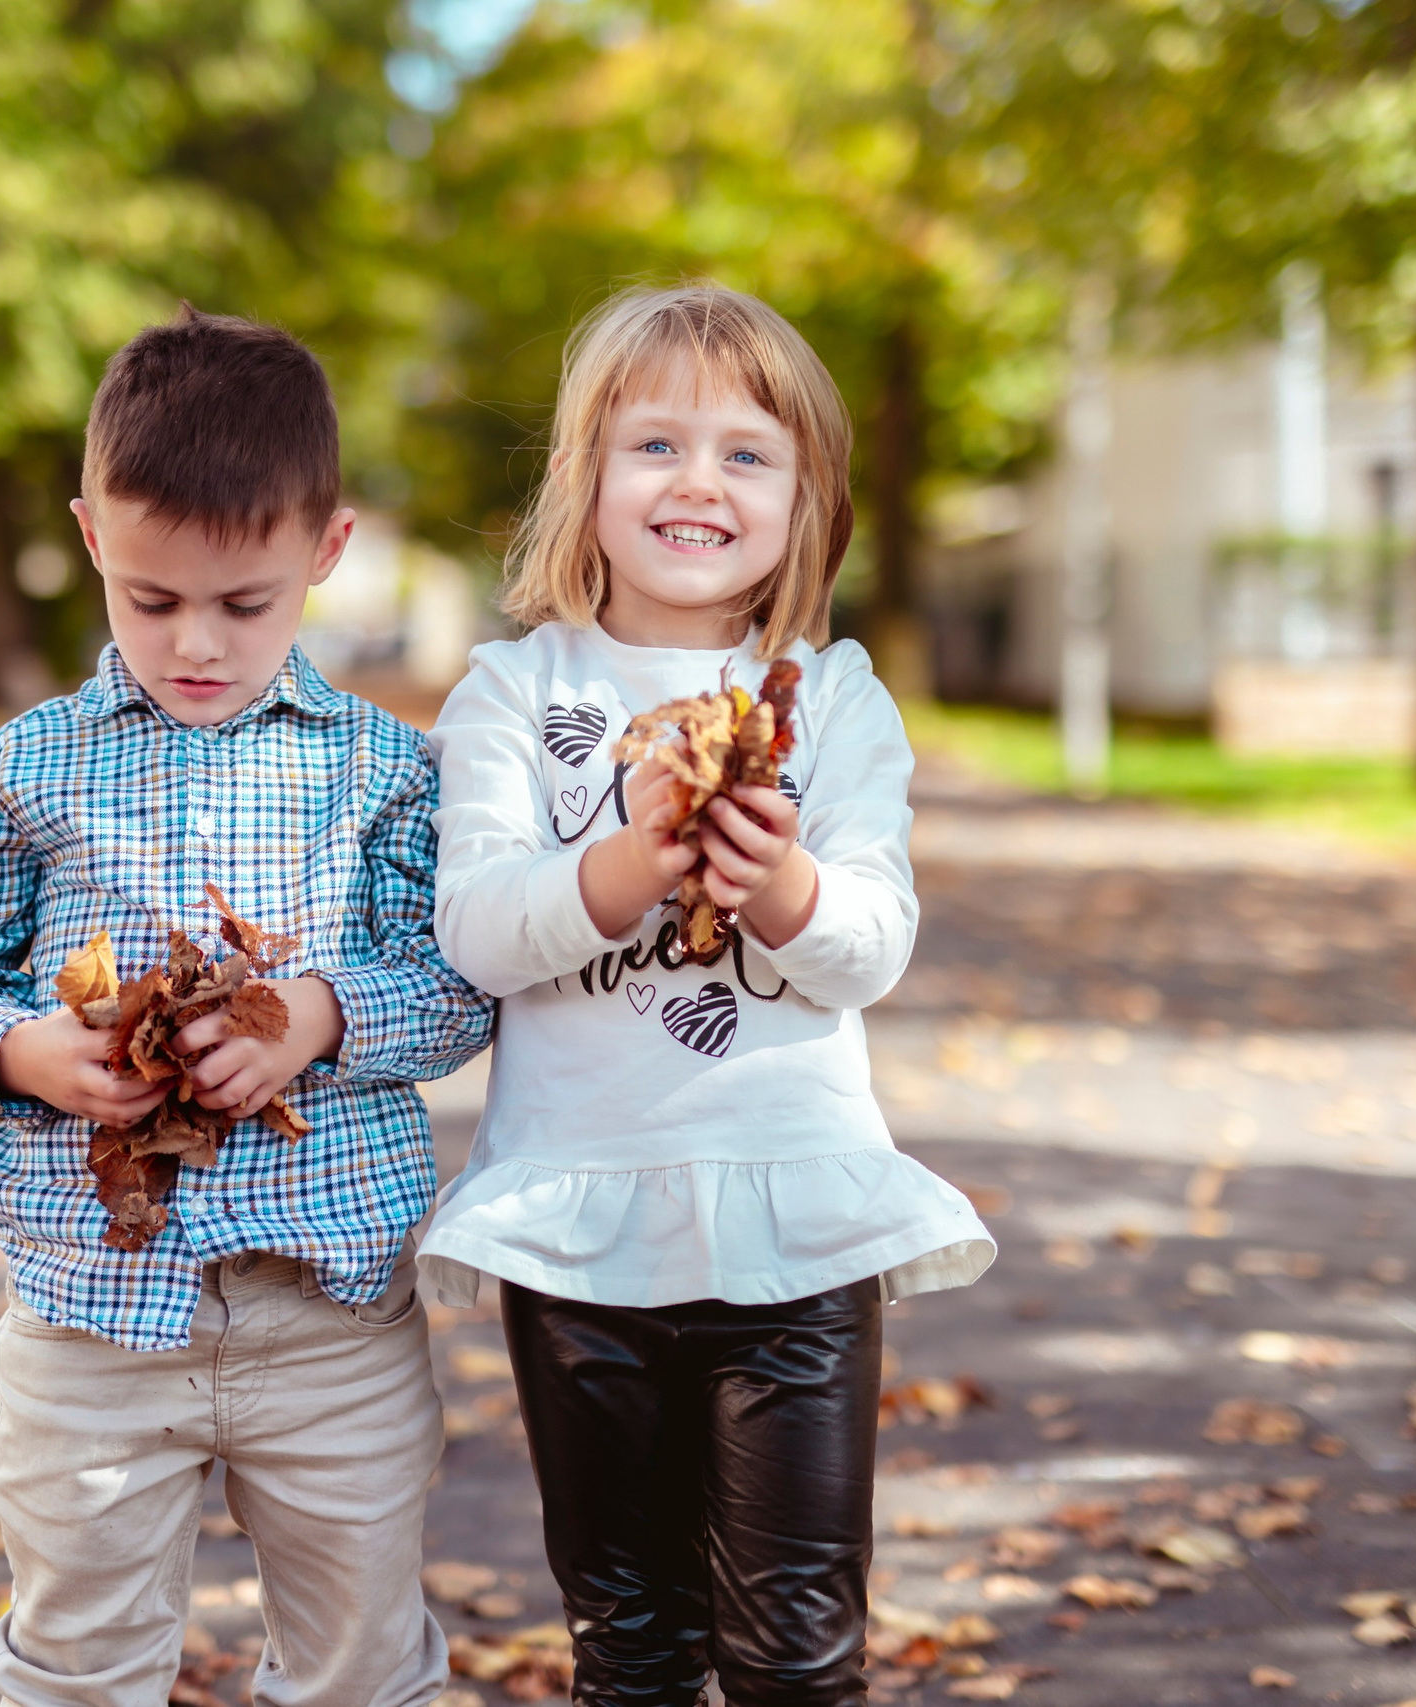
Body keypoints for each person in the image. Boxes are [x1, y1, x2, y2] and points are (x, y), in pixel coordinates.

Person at [0, 306, 494, 1707]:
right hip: (88, 1317)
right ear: (93, 535)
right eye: (154, 601)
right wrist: (28, 1051)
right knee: (76, 1665)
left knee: (359, 1666)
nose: (199, 645)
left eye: (246, 604)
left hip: (329, 1318)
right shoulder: (22, 771)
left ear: (326, 554)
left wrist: (322, 1013)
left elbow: (456, 986)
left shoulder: (386, 773)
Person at [420, 283, 997, 1704]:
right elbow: (484, 933)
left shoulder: (835, 698)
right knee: (632, 1646)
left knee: (800, 1654)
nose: (700, 482)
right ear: (581, 479)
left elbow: (872, 943)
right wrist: (630, 860)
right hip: (581, 1227)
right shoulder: (511, 693)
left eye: (748, 454)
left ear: (807, 501)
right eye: (656, 445)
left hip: (799, 1222)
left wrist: (780, 884)